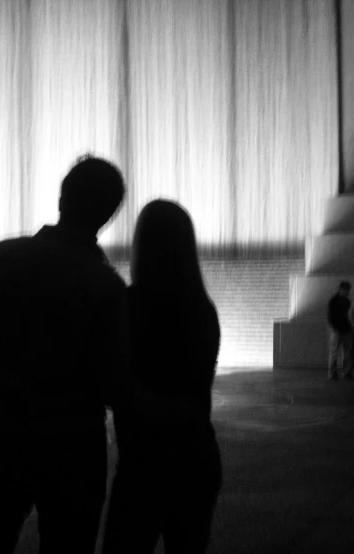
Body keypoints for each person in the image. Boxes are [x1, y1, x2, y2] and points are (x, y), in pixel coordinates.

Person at [0, 155, 142, 554]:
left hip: (0, 439)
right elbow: (112, 381)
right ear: (108, 215)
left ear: (62, 197)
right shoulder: (105, 286)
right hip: (73, 446)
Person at [102, 200, 222, 554]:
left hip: (144, 463)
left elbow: (115, 384)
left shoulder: (128, 305)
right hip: (197, 457)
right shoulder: (202, 308)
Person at [326, 281, 354, 381]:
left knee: (339, 352)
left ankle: (336, 373)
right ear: (341, 289)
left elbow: (331, 316)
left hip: (341, 329)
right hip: (340, 329)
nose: (347, 292)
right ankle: (340, 373)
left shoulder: (336, 301)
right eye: (346, 290)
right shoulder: (344, 301)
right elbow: (331, 317)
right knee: (340, 352)